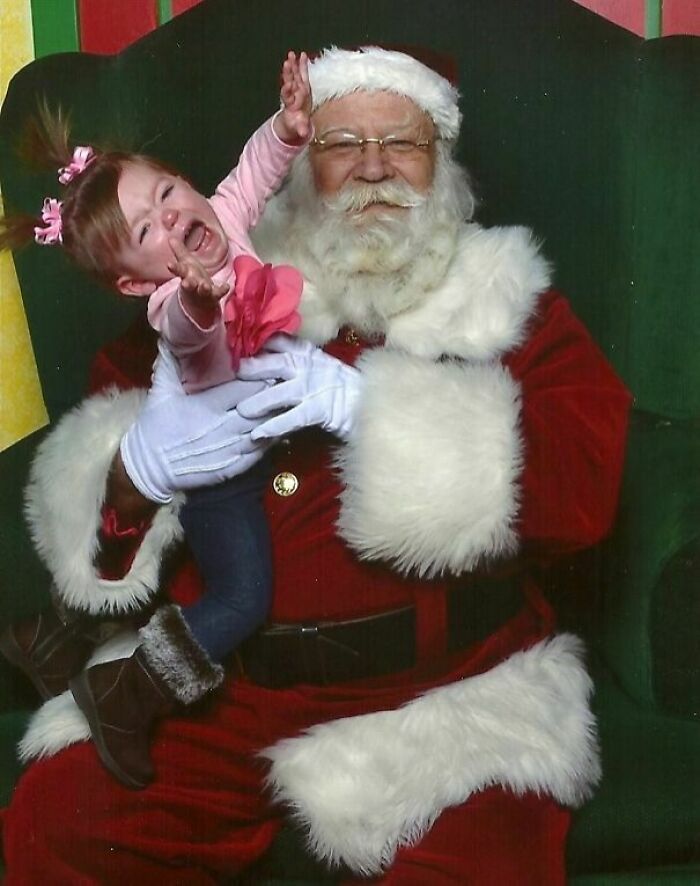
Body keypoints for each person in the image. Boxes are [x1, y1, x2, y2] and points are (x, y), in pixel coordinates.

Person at [1, 46, 631, 884]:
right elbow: (101, 515)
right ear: (303, 163)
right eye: (341, 144)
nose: (373, 167)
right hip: (222, 694)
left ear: (441, 159)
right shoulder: (219, 279)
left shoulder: (503, 295)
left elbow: (583, 486)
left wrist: (378, 411)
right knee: (54, 829)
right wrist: (132, 477)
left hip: (446, 699)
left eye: (401, 142)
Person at [0, 52, 314, 790]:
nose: (171, 216)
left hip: (212, 443)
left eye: (168, 192)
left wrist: (288, 127)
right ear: (136, 283)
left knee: (145, 543)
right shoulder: (171, 303)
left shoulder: (222, 218)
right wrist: (201, 299)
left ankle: (48, 636)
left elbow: (253, 171)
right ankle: (126, 697)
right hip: (210, 470)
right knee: (241, 597)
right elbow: (189, 329)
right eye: (147, 230)